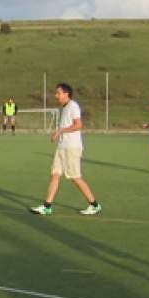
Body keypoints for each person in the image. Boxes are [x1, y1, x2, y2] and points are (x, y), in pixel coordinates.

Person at [29, 83, 101, 216]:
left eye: (58, 93)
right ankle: (47, 206)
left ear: (66, 94)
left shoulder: (73, 106)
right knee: (55, 174)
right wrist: (59, 133)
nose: (56, 96)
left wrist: (61, 130)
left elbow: (78, 125)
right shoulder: (65, 108)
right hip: (62, 147)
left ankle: (94, 205)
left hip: (71, 147)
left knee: (75, 177)